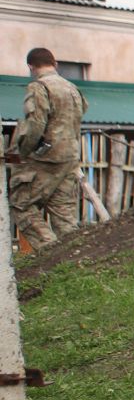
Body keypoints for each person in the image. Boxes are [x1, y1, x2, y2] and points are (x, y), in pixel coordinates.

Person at [7, 48, 87, 249]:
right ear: (55, 64)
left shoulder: (39, 87)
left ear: (31, 67)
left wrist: (22, 153)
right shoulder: (72, 88)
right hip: (70, 158)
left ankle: (49, 250)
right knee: (63, 211)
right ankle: (74, 257)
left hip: (47, 159)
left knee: (21, 203)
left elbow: (35, 125)